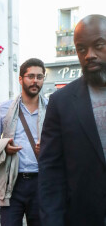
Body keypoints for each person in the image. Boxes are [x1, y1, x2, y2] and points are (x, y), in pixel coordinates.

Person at [38, 14, 106, 226]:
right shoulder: (61, 101)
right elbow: (51, 173)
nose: (89, 55)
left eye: (99, 45)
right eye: (81, 49)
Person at [0, 58, 47, 226]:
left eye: (39, 77)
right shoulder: (4, 108)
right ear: (20, 79)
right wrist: (3, 147)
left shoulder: (51, 108)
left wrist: (48, 149)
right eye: (30, 76)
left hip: (42, 182)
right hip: (12, 182)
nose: (35, 81)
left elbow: (62, 142)